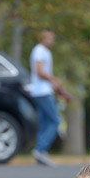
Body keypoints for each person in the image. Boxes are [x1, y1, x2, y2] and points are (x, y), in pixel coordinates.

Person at [30, 29, 63, 166]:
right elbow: (39, 71)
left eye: (52, 38)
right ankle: (40, 148)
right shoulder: (39, 51)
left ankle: (41, 154)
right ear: (42, 38)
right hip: (41, 91)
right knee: (55, 120)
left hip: (44, 90)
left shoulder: (46, 52)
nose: (51, 41)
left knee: (44, 122)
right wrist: (53, 79)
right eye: (48, 38)